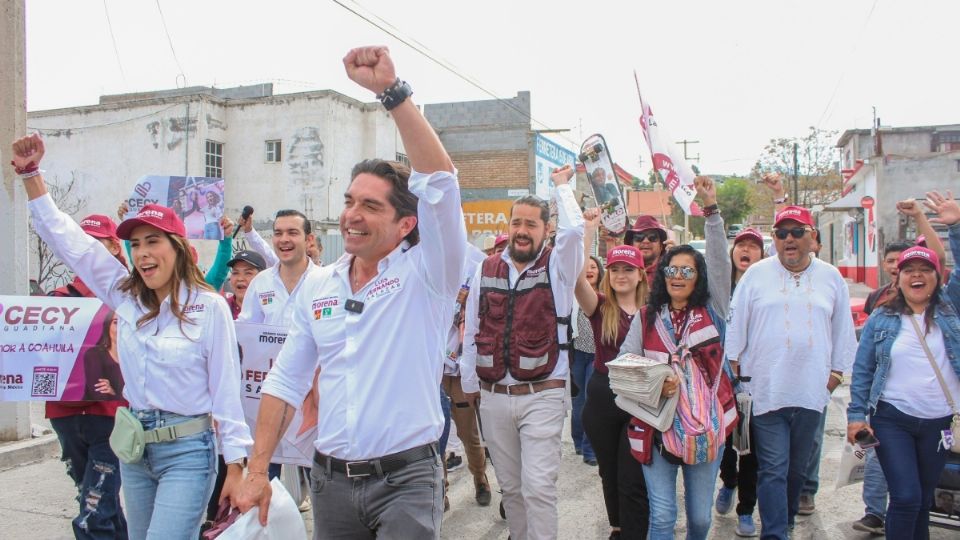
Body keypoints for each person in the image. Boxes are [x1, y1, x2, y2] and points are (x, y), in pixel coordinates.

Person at [235, 46, 466, 539]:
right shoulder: (321, 284)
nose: (351, 215)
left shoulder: (430, 274)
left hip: (406, 481)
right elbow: (284, 382)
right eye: (348, 201)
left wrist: (392, 92)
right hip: (331, 483)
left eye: (369, 206)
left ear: (406, 223)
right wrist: (257, 471)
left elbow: (441, 183)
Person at [14, 134, 252, 539]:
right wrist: (32, 175)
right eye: (136, 244)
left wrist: (237, 466)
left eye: (153, 242)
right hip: (134, 448)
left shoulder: (209, 307)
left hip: (188, 453)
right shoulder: (126, 297)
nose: (143, 253)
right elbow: (68, 241)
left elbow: (227, 391)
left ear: (177, 247)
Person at [460, 164, 584, 540]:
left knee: (539, 487)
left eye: (532, 224)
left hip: (543, 392)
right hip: (494, 394)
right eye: (517, 223)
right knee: (511, 488)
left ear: (547, 230)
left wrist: (562, 187)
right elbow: (473, 326)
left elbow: (576, 231)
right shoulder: (487, 268)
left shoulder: (559, 268)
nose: (522, 231)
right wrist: (469, 383)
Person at [725, 205, 857, 540]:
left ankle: (784, 522)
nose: (789, 239)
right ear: (775, 240)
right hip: (767, 390)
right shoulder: (757, 275)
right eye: (782, 233)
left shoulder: (831, 278)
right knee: (773, 468)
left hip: (812, 392)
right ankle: (775, 533)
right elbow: (736, 325)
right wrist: (739, 372)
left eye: (797, 232)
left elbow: (843, 332)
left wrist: (834, 377)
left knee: (796, 471)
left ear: (812, 238)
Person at [617, 176, 736, 540]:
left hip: (705, 429)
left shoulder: (713, 311)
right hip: (657, 426)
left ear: (698, 278)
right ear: (662, 276)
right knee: (664, 516)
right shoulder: (646, 317)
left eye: (687, 270)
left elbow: (719, 263)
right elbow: (624, 361)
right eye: (672, 270)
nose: (678, 276)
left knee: (700, 520)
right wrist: (657, 378)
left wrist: (711, 210)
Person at [847, 189, 960, 540]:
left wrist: (956, 227)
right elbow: (863, 370)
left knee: (924, 499)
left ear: (937, 277)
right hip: (892, 419)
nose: (916, 274)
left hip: (939, 422)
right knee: (907, 497)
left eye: (925, 269)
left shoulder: (950, 309)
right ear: (898, 278)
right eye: (908, 269)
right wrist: (855, 416)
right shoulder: (882, 319)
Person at [45, 213, 129, 540]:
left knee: (94, 512)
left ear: (114, 248)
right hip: (64, 414)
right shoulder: (55, 300)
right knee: (95, 499)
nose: (88, 249)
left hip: (110, 415)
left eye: (97, 242)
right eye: (82, 241)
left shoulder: (128, 296)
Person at [575, 220, 649, 539]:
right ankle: (617, 528)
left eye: (628, 269)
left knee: (632, 475)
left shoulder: (653, 309)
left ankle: (635, 532)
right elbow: (577, 280)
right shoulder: (601, 307)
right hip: (603, 398)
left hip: (639, 400)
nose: (620, 274)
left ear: (640, 274)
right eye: (615, 268)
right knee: (610, 472)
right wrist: (587, 232)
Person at [715, 227, 764, 537]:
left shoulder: (768, 286)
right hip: (720, 378)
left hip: (756, 379)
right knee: (724, 444)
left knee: (751, 450)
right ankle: (728, 481)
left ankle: (746, 509)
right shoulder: (720, 289)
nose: (746, 250)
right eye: (741, 245)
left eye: (753, 246)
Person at [441, 244, 493, 508]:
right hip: (432, 367)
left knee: (468, 433)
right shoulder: (425, 259)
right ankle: (441, 488)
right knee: (433, 433)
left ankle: (480, 478)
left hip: (460, 368)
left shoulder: (475, 263)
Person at [571, 254, 603, 466]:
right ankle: (578, 441)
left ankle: (590, 450)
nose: (590, 270)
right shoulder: (571, 295)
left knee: (593, 401)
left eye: (594, 266)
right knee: (578, 401)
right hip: (576, 354)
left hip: (598, 355)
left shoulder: (606, 295)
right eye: (585, 266)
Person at [82, 313, 124, 400]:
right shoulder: (94, 355)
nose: (120, 329)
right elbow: (99, 395)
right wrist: (118, 397)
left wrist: (113, 393)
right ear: (108, 326)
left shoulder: (137, 359)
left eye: (125, 324)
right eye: (116, 323)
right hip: (94, 411)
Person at [624, 215, 668, 285]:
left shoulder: (669, 273)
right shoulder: (623, 273)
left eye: (652, 237)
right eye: (639, 237)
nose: (646, 241)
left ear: (661, 246)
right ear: (631, 245)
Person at [224, 250, 267, 319]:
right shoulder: (221, 307)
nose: (240, 278)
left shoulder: (271, 308)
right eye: (235, 273)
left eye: (248, 273)